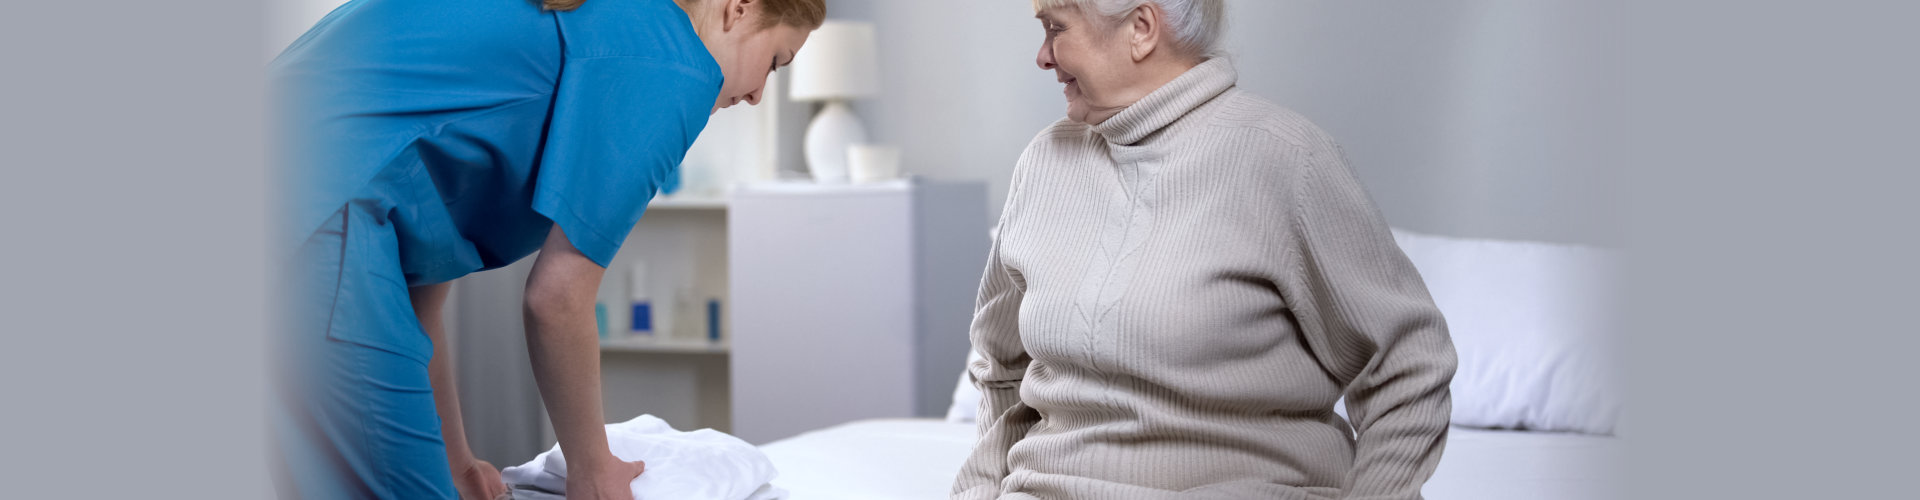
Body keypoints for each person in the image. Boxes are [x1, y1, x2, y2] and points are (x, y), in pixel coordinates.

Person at [267, 0, 823, 498]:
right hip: (314, 205)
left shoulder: (608, 18)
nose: (755, 96)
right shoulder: (673, 61)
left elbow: (420, 288)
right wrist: (594, 471)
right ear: (740, 8)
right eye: (775, 62)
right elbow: (557, 298)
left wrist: (457, 461)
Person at [952, 1, 1457, 498]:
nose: (1043, 55)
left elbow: (1407, 364)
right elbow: (1001, 367)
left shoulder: (1286, 158)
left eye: (1056, 28)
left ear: (1142, 28)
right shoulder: (1046, 160)